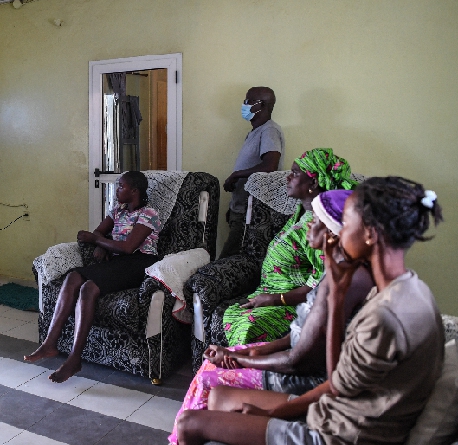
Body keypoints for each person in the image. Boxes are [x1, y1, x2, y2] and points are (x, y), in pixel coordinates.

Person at [175, 176, 444, 445]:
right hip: (338, 414)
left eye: (347, 223)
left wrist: (336, 296)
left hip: (340, 434)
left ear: (370, 234)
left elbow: (335, 387)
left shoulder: (384, 317)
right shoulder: (416, 290)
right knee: (219, 397)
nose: (338, 233)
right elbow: (339, 384)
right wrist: (269, 412)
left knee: (189, 424)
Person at [167, 190, 373, 444]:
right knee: (211, 365)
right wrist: (254, 351)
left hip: (306, 377)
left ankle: (189, 435)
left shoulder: (345, 282)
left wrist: (240, 358)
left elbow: (298, 362)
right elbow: (300, 334)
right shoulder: (332, 272)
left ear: (334, 233)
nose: (308, 226)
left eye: (316, 221)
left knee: (210, 378)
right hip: (303, 363)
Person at [24, 171, 161, 383]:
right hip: (118, 262)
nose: (117, 190)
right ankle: (50, 343)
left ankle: (74, 358)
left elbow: (128, 247)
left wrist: (97, 241)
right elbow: (97, 232)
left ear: (134, 191)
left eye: (121, 187)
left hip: (139, 263)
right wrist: (101, 243)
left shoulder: (149, 213)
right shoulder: (118, 210)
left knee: (86, 285)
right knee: (75, 278)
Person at [221, 148, 356, 347]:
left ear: (313, 183)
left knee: (248, 326)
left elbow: (321, 286)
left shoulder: (321, 227)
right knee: (235, 316)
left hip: (293, 304)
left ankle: (244, 365)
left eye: (295, 173)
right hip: (269, 294)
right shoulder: (300, 214)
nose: (288, 177)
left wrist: (276, 299)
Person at [219, 87, 284, 259]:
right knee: (233, 259)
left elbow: (270, 165)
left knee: (227, 261)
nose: (244, 105)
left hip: (252, 212)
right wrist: (234, 207)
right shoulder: (256, 131)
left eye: (248, 101)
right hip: (242, 208)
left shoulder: (269, 131)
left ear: (261, 105)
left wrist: (236, 175)